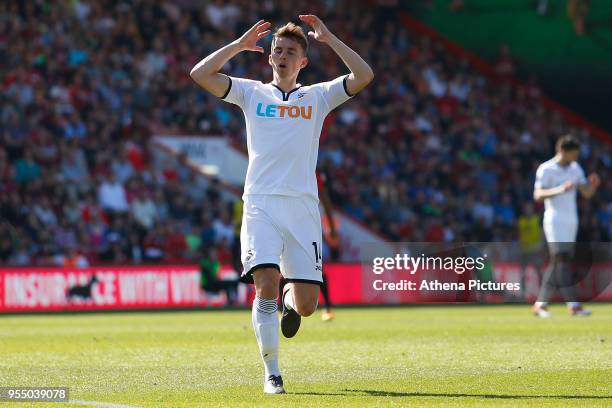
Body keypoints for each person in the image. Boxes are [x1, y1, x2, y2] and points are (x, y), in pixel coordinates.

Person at [189, 16, 373, 394]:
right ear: (269, 58)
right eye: (277, 50)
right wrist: (238, 45)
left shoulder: (318, 96)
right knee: (265, 283)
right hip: (260, 204)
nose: (283, 55)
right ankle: (272, 373)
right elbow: (199, 73)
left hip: (303, 209)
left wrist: (331, 38)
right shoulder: (251, 93)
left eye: (291, 51)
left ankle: (292, 303)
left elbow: (364, 75)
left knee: (307, 305)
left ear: (303, 61)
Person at [532, 135, 600, 318]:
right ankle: (573, 304)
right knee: (562, 259)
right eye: (573, 154)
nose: (575, 158)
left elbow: (586, 193)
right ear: (562, 151)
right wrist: (560, 189)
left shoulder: (575, 168)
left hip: (571, 219)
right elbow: (537, 195)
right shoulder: (547, 169)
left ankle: (540, 304)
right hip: (555, 219)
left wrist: (592, 185)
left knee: (558, 261)